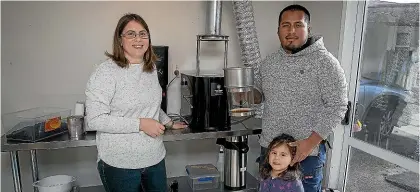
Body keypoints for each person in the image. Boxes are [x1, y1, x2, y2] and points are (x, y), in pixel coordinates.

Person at [85, 13, 187, 192]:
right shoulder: (105, 72)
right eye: (131, 34)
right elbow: (95, 119)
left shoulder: (151, 68)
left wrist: (168, 123)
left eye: (143, 34)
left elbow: (151, 105)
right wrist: (140, 124)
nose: (138, 39)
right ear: (120, 39)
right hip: (120, 165)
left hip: (154, 158)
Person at [255, 4, 348, 192]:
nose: (291, 31)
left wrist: (309, 143)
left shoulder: (325, 63)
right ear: (278, 30)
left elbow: (338, 105)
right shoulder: (269, 63)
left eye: (298, 25)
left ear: (308, 28)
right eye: (285, 25)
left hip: (306, 155)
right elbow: (259, 95)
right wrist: (245, 93)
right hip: (271, 152)